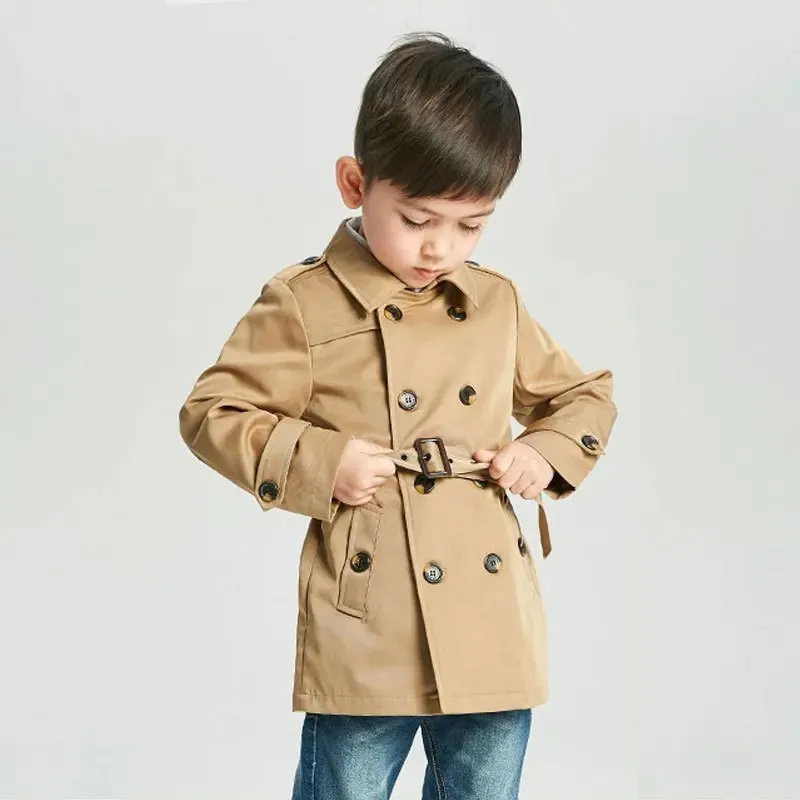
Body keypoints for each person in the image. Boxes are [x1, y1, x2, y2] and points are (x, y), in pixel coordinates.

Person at [178, 31, 617, 800]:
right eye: (416, 219)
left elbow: (584, 396)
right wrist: (322, 462)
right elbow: (212, 411)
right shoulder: (304, 302)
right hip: (368, 616)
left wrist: (543, 452)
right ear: (355, 183)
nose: (440, 248)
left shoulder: (494, 302)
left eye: (471, 225)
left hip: (488, 617)